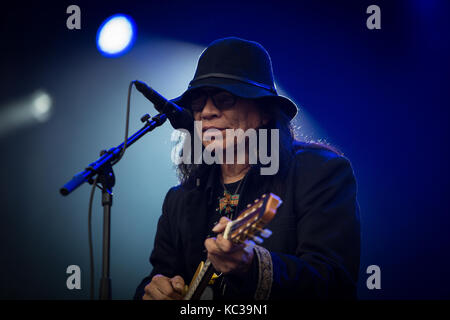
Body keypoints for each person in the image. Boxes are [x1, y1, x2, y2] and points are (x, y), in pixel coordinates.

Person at [134, 37, 361, 300]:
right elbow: (158, 276)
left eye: (224, 98)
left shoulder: (320, 172)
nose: (206, 112)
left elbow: (334, 284)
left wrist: (253, 267)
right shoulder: (179, 199)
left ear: (264, 112)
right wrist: (151, 292)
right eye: (197, 104)